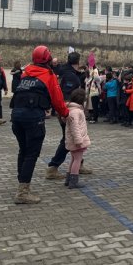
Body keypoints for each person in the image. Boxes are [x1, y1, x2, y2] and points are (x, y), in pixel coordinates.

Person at [10, 45, 69, 204]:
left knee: (23, 150)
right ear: (48, 59)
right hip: (33, 118)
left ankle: (21, 183)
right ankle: (23, 192)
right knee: (31, 153)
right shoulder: (48, 75)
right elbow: (57, 99)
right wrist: (66, 114)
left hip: (16, 116)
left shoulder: (26, 73)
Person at [45, 51, 86, 180]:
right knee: (68, 138)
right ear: (78, 62)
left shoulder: (65, 71)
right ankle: (53, 166)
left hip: (64, 109)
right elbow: (67, 94)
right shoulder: (70, 76)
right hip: (68, 111)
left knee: (73, 137)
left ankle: (79, 163)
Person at [64, 88, 91, 189]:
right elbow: (75, 127)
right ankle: (74, 181)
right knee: (77, 160)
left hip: (73, 140)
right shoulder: (76, 111)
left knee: (73, 159)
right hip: (77, 141)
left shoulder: (72, 109)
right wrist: (79, 140)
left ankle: (68, 179)